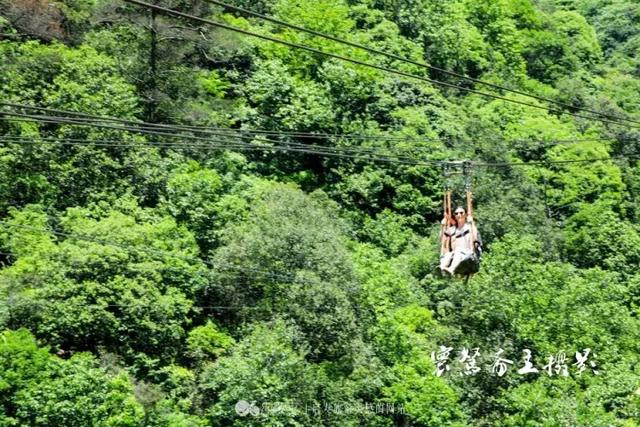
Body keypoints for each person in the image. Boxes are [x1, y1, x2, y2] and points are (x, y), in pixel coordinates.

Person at [440, 206, 481, 276]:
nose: (459, 215)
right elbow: (442, 239)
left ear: (465, 215)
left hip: (468, 254)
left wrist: (472, 223)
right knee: (447, 255)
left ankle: (451, 269)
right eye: (456, 213)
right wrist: (443, 225)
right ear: (455, 216)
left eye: (461, 213)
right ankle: (442, 268)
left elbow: (475, 237)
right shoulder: (452, 229)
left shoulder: (469, 227)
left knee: (458, 252)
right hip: (456, 253)